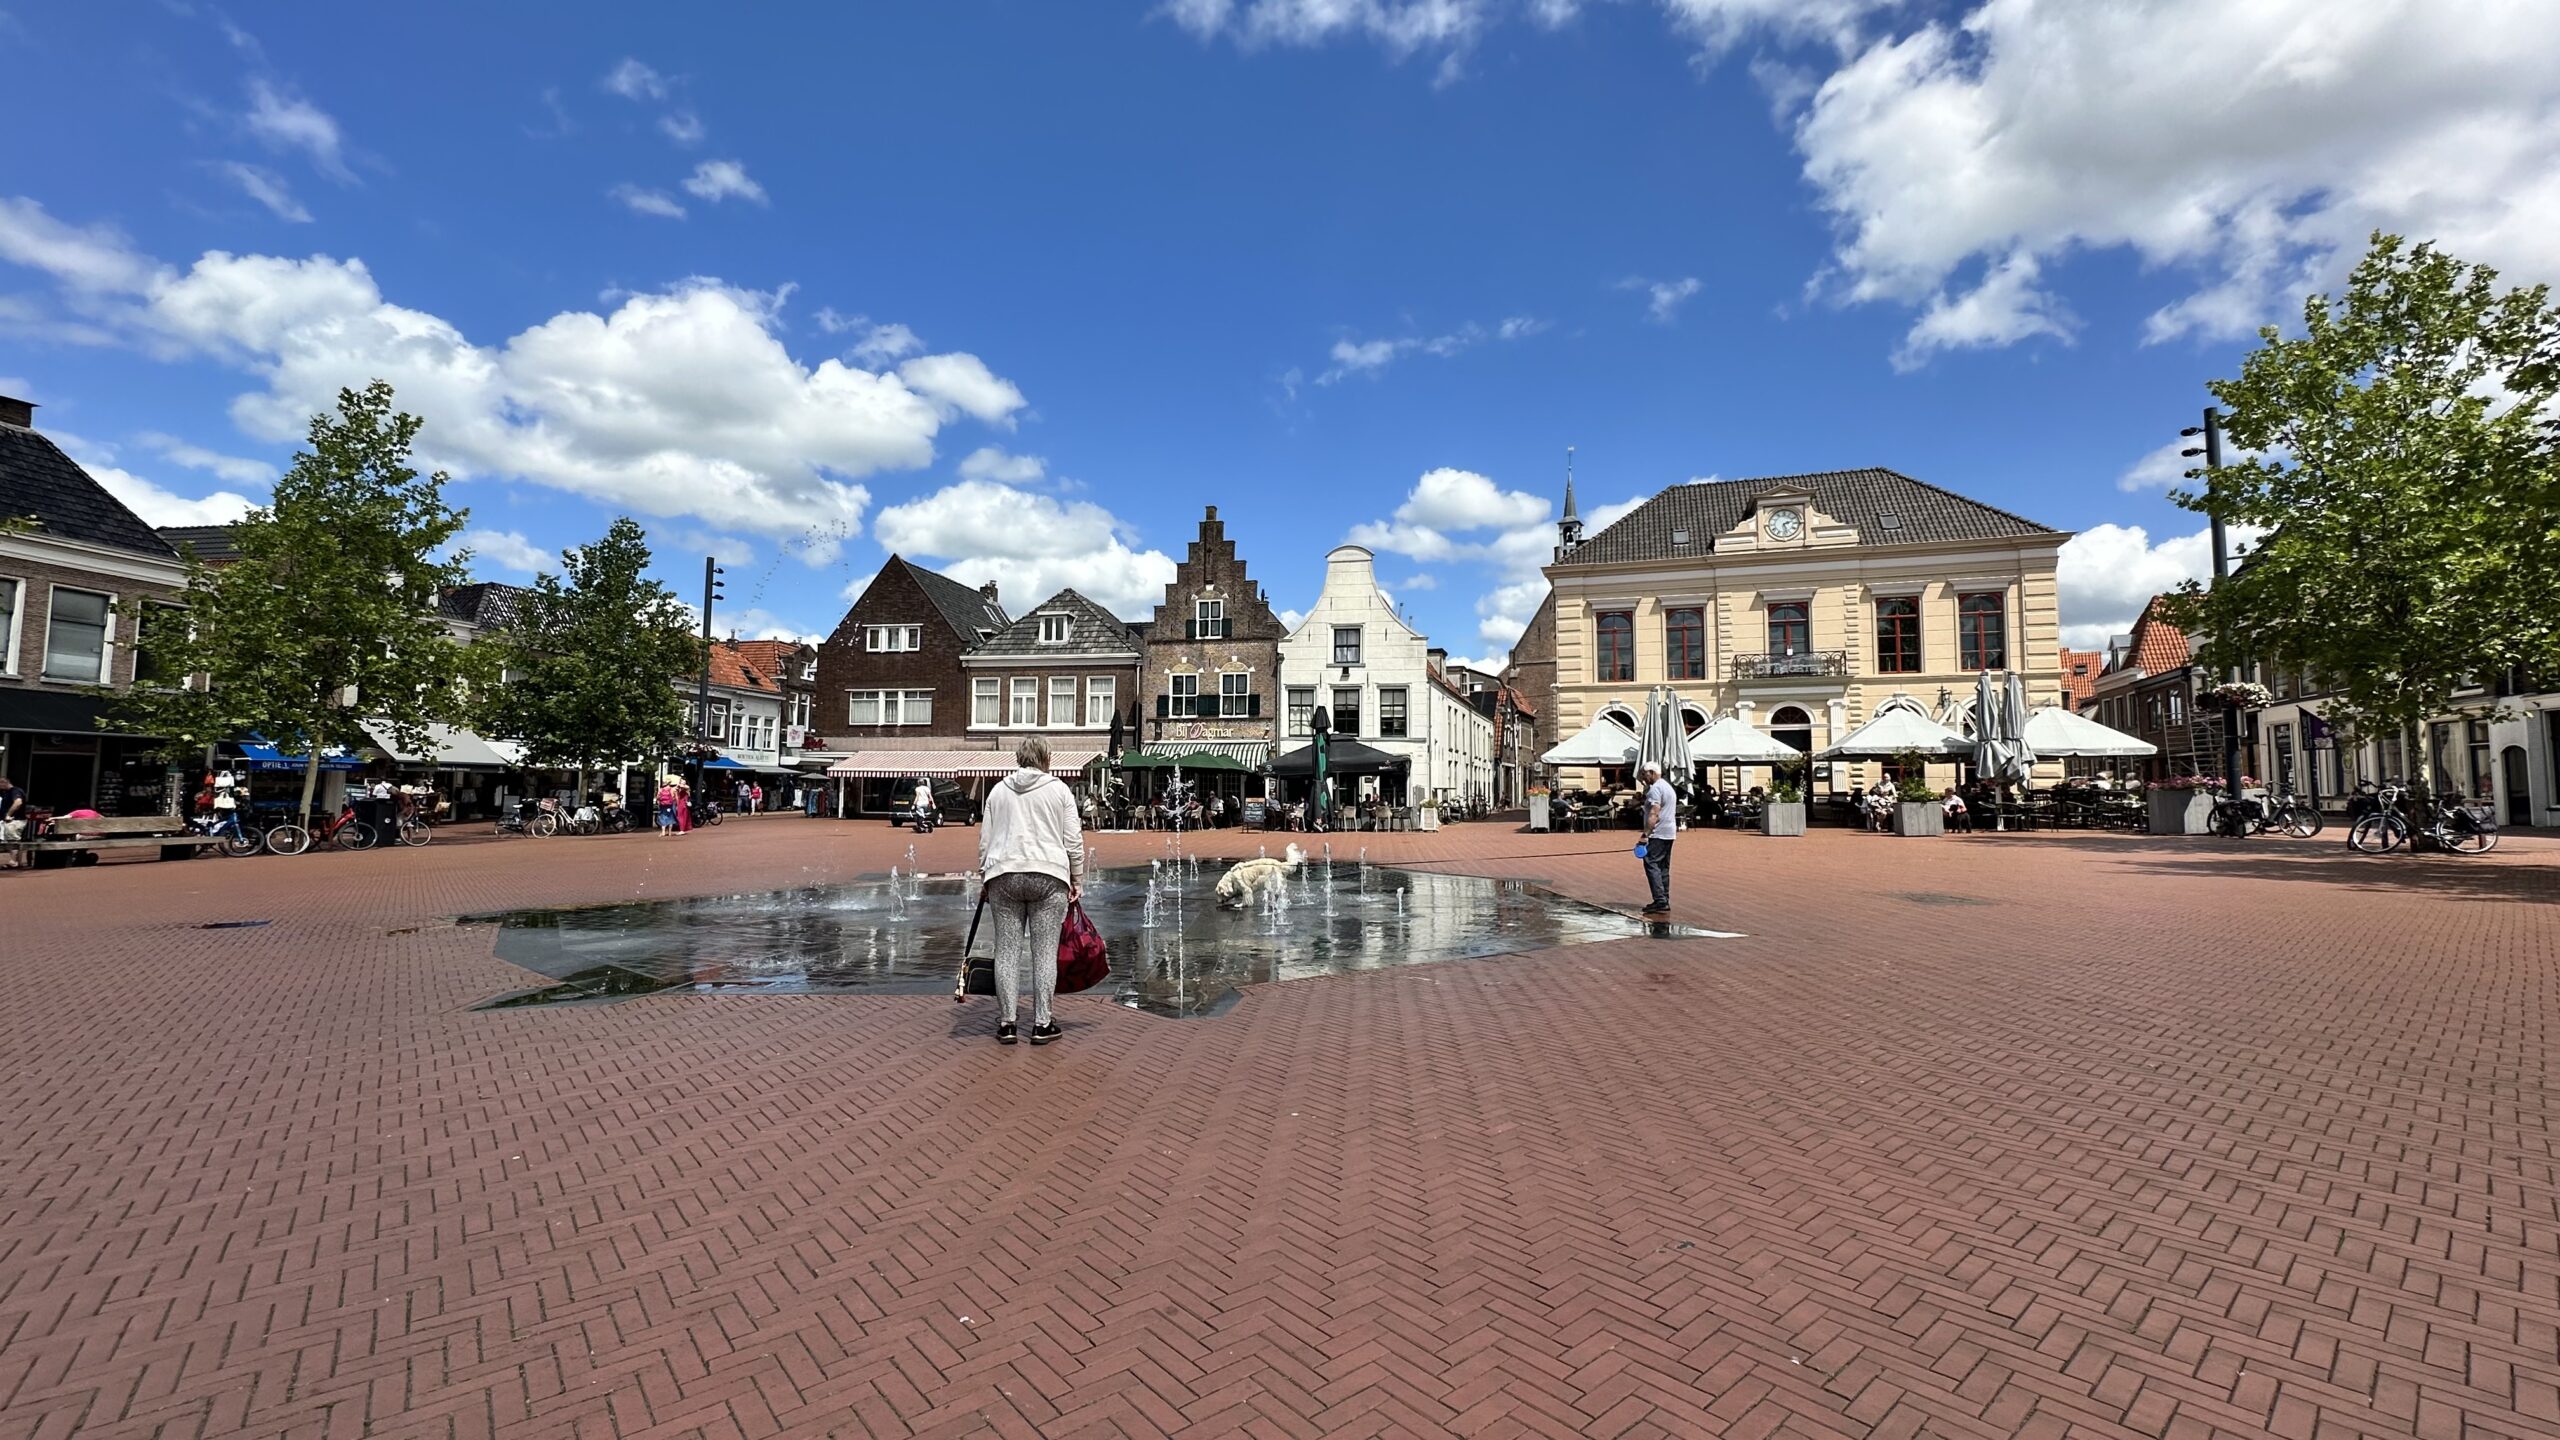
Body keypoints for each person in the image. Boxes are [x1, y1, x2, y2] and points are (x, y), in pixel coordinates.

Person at [978, 735, 1085, 1047]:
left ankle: (1007, 1023)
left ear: (1018, 758)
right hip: (1049, 874)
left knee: (1007, 950)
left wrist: (985, 875)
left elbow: (985, 840)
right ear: (1046, 758)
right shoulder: (1059, 790)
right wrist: (1076, 878)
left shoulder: (998, 791)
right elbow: (1073, 840)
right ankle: (1042, 1022)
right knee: (1044, 951)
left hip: (1004, 874)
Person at [1639, 760, 1677, 916]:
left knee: (1651, 863)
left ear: (1652, 773)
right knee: (1663, 867)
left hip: (1658, 833)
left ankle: (1660, 900)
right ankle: (1664, 899)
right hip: (1669, 832)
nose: (1643, 778)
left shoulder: (1655, 789)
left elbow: (1654, 812)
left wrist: (1645, 834)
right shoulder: (1668, 787)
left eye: (1644, 774)